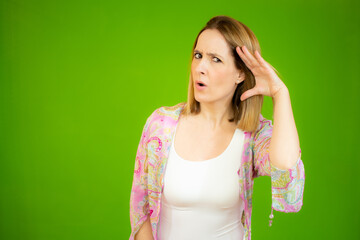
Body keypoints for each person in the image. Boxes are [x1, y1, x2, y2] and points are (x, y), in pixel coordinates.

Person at [129, 15, 305, 240]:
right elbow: (141, 206)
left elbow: (286, 167)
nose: (200, 67)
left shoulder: (253, 134)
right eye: (198, 55)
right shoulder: (160, 125)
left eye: (216, 59)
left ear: (240, 73)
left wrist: (281, 94)